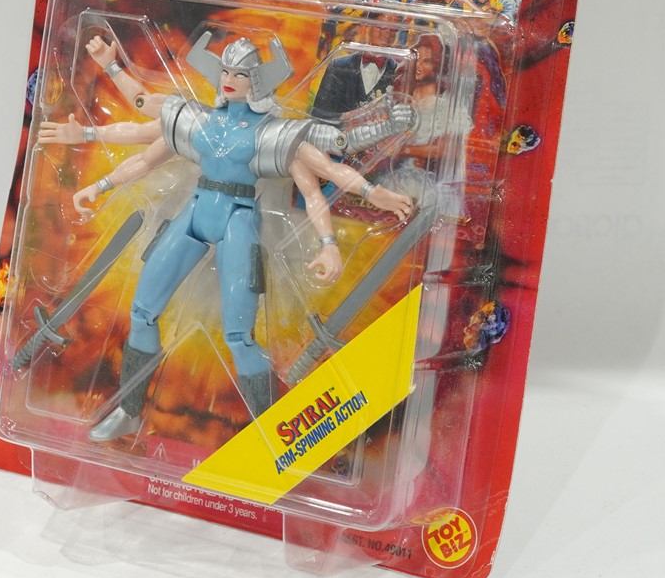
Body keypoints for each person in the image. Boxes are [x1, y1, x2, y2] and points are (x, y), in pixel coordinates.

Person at [37, 31, 414, 443]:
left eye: (241, 74)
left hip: (239, 220)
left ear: (258, 82)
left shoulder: (273, 133)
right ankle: (129, 411)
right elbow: (144, 126)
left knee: (239, 337)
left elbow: (325, 170)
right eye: (227, 72)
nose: (231, 80)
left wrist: (360, 209)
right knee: (142, 312)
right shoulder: (200, 121)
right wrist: (107, 81)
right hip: (196, 211)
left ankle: (273, 431)